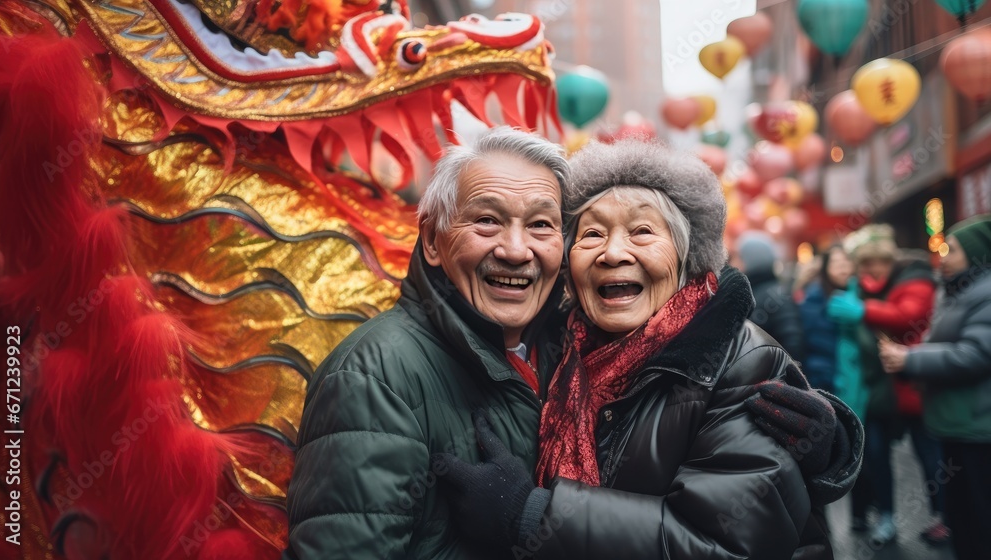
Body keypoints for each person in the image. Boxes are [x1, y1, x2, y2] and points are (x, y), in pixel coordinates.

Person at [433, 139, 862, 560]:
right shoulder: (555, 348)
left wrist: (534, 517)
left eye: (641, 231)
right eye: (593, 233)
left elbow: (725, 545)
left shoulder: (741, 363)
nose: (612, 253)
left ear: (686, 257)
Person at [283, 127, 572, 559]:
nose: (516, 250)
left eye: (541, 224)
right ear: (434, 240)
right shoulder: (374, 377)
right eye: (487, 220)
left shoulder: (575, 353)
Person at [878, 214, 991, 560]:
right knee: (962, 516)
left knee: (979, 515)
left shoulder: (984, 294)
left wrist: (910, 360)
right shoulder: (958, 290)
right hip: (956, 424)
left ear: (974, 253)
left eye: (952, 249)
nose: (943, 256)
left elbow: (976, 353)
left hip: (978, 428)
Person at [827, 224, 946, 546]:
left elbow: (907, 315)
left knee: (929, 453)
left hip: (909, 387)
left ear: (889, 261)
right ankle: (887, 516)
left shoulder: (913, 277)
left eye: (875, 263)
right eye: (863, 265)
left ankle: (942, 516)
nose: (870, 271)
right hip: (875, 389)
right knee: (876, 455)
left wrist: (863, 310)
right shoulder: (859, 288)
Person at [735, 231, 807, 363]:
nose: (735, 262)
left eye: (739, 257)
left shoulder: (775, 294)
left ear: (752, 259)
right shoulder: (754, 290)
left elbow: (792, 342)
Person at [800, 245, 855, 394]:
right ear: (825, 267)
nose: (842, 268)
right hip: (824, 377)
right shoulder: (814, 298)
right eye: (836, 263)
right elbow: (813, 340)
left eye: (846, 262)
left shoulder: (858, 295)